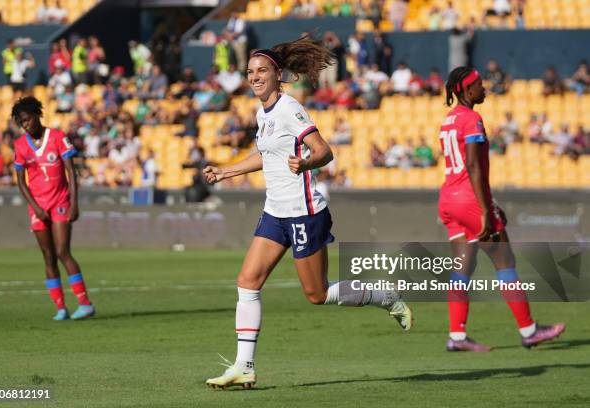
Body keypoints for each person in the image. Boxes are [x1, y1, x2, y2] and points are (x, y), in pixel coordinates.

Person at [203, 37, 412, 390]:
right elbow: (266, 156)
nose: (255, 77)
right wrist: (227, 171)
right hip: (275, 211)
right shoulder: (262, 112)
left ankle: (384, 296)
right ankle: (244, 366)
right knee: (247, 281)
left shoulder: (289, 108)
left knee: (316, 295)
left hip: (304, 212)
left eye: (262, 71)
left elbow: (323, 151)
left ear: (278, 74)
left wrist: (307, 162)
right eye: (251, 72)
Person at [438, 67, 565, 352]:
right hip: (470, 200)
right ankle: (529, 331)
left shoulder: (448, 120)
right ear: (467, 91)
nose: (484, 89)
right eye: (480, 86)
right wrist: (486, 209)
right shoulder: (472, 119)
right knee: (505, 262)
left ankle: (457, 336)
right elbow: (472, 166)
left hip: (448, 198)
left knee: (462, 269)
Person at [11, 96, 95, 321]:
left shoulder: (57, 137)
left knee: (62, 251)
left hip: (60, 202)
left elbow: (71, 172)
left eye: (28, 119)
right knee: (48, 257)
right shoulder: (20, 145)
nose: (26, 125)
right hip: (38, 207)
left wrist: (74, 203)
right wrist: (35, 207)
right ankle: (60, 308)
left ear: (37, 115)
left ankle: (85, 304)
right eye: (22, 122)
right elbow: (20, 181)